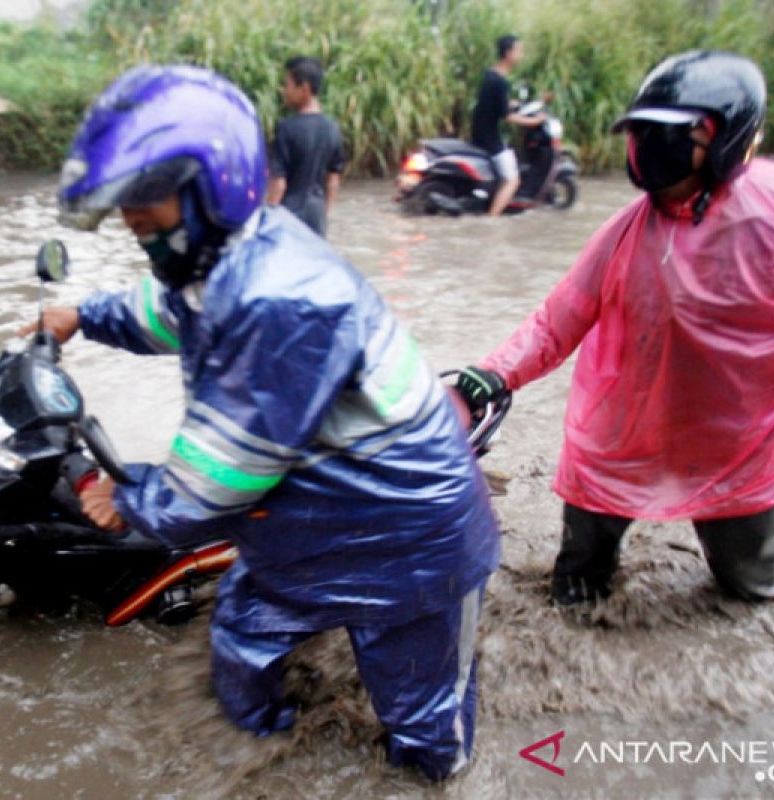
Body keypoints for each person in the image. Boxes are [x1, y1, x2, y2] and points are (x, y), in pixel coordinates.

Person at [25, 65, 499, 781]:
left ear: (209, 184)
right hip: (312, 526)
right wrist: (84, 316)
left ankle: (436, 776)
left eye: (143, 202)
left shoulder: (279, 299)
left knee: (422, 717)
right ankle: (266, 758)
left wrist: (128, 500)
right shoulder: (222, 252)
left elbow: (219, 478)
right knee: (242, 641)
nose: (130, 218)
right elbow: (166, 310)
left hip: (414, 539)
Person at [455, 51, 774, 607]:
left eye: (673, 136)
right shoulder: (624, 234)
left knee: (748, 593)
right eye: (643, 134)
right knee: (575, 590)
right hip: (621, 441)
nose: (652, 151)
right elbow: (556, 320)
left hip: (747, 445)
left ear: (728, 137)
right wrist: (492, 376)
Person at [264, 56, 345, 236]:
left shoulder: (286, 128)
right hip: (317, 216)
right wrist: (324, 215)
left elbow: (279, 184)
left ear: (304, 88)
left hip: (289, 215)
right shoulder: (332, 128)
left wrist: (266, 221)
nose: (285, 91)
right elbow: (333, 181)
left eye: (288, 85)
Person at [471, 34, 545, 217]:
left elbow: (493, 103)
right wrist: (534, 121)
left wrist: (513, 104)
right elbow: (508, 117)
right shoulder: (501, 81)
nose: (521, 55)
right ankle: (492, 218)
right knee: (512, 180)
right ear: (508, 53)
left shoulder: (490, 74)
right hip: (489, 137)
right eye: (519, 51)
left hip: (479, 131)